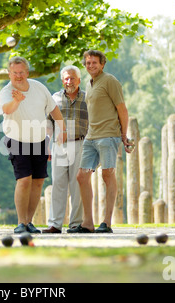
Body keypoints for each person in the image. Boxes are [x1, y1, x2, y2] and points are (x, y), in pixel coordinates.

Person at [0, 56, 67, 234]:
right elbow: (7, 110)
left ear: (27, 73)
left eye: (21, 72)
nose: (18, 76)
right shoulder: (7, 91)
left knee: (38, 182)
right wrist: (17, 101)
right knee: (24, 180)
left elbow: (53, 108)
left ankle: (29, 222)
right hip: (16, 139)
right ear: (9, 73)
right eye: (14, 73)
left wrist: (63, 129)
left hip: (39, 140)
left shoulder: (38, 87)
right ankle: (21, 223)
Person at [71, 50, 133, 234]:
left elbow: (122, 109)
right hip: (91, 136)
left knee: (107, 175)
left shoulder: (110, 81)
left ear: (102, 64)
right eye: (88, 63)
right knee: (82, 176)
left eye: (94, 63)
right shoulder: (90, 84)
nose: (91, 65)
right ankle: (88, 223)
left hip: (108, 135)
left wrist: (124, 135)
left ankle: (106, 222)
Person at [42, 65, 88, 234]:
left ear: (79, 80)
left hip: (80, 144)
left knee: (77, 185)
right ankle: (55, 224)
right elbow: (48, 124)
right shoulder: (54, 98)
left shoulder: (87, 98)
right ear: (62, 80)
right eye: (66, 78)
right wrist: (47, 145)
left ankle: (76, 224)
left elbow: (93, 123)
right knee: (58, 184)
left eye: (72, 78)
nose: (69, 81)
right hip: (59, 145)